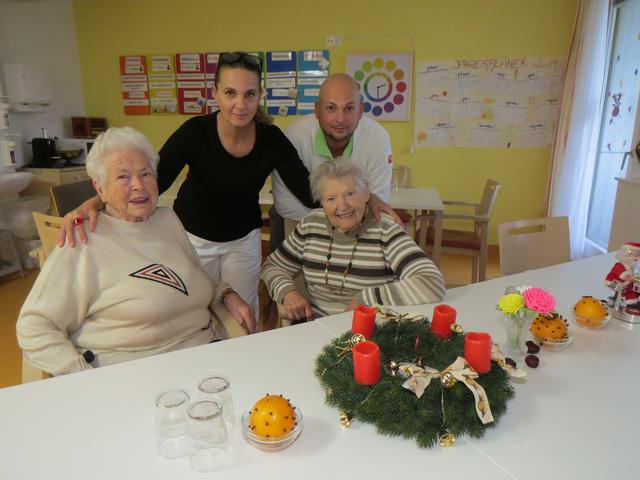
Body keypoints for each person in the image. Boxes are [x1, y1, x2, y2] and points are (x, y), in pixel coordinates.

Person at [58, 52, 316, 318]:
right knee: (197, 312)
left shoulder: (271, 139)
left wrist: (353, 199)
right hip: (193, 238)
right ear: (215, 93)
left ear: (260, 94)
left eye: (249, 94)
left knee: (244, 313)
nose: (240, 104)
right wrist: (95, 201)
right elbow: (153, 182)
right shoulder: (195, 132)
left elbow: (306, 191)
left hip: (242, 240)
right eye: (230, 93)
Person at [17, 127, 254, 376]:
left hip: (203, 358)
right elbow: (35, 326)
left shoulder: (167, 220)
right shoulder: (83, 238)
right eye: (123, 177)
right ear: (100, 189)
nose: (139, 185)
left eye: (146, 173)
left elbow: (194, 277)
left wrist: (226, 293)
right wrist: (84, 377)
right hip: (134, 375)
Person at [262, 159, 445, 321]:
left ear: (366, 194)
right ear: (322, 202)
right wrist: (288, 292)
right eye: (331, 198)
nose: (342, 205)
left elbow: (431, 281)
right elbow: (272, 266)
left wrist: (366, 300)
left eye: (350, 194)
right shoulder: (311, 225)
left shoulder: (385, 228)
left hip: (371, 331)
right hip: (318, 329)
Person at [269, 72, 394, 251]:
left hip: (356, 220)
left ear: (361, 110)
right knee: (292, 273)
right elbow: (286, 203)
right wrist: (332, 221)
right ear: (317, 110)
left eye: (349, 108)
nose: (340, 119)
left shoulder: (378, 138)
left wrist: (343, 218)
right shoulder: (294, 137)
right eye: (331, 108)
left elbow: (377, 199)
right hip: (300, 219)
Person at [605, 241, 640, 312]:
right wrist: (636, 280)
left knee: (633, 290)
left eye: (637, 255)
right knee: (629, 292)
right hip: (614, 282)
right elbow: (626, 277)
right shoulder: (619, 265)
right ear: (624, 254)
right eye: (633, 255)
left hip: (626, 284)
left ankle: (632, 302)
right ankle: (631, 304)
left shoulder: (631, 266)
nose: (635, 257)